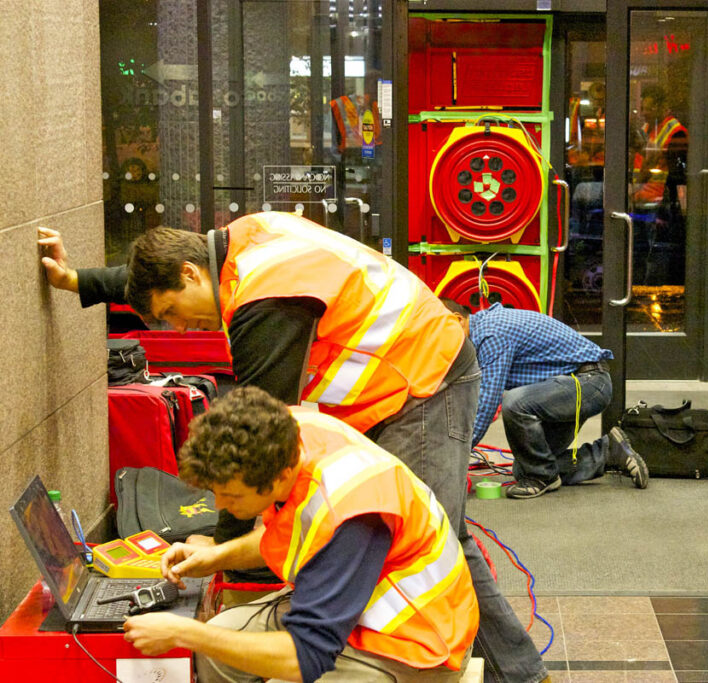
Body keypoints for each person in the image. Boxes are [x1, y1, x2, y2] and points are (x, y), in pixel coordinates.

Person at [38, 212, 548, 683]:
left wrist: (222, 554)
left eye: (172, 312)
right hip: (391, 388)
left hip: (423, 377)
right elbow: (157, 272)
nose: (177, 327)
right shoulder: (238, 243)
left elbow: (252, 452)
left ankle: (515, 673)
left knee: (431, 533)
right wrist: (78, 281)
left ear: (193, 275)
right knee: (394, 527)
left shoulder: (264, 298)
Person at [122, 386, 479, 682]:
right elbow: (296, 532)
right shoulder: (287, 432)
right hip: (350, 608)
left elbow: (305, 657)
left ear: (278, 476)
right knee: (214, 657)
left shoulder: (353, 513)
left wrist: (184, 633)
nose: (219, 505)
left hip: (412, 641)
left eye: (231, 495)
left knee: (264, 669)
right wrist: (218, 555)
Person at [443, 300, 649, 499]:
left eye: (439, 336)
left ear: (458, 319)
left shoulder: (491, 333)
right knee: (525, 469)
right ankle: (608, 452)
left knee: (514, 403)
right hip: (569, 387)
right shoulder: (482, 332)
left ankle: (543, 477)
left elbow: (486, 404)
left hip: (589, 384)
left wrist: (454, 457)